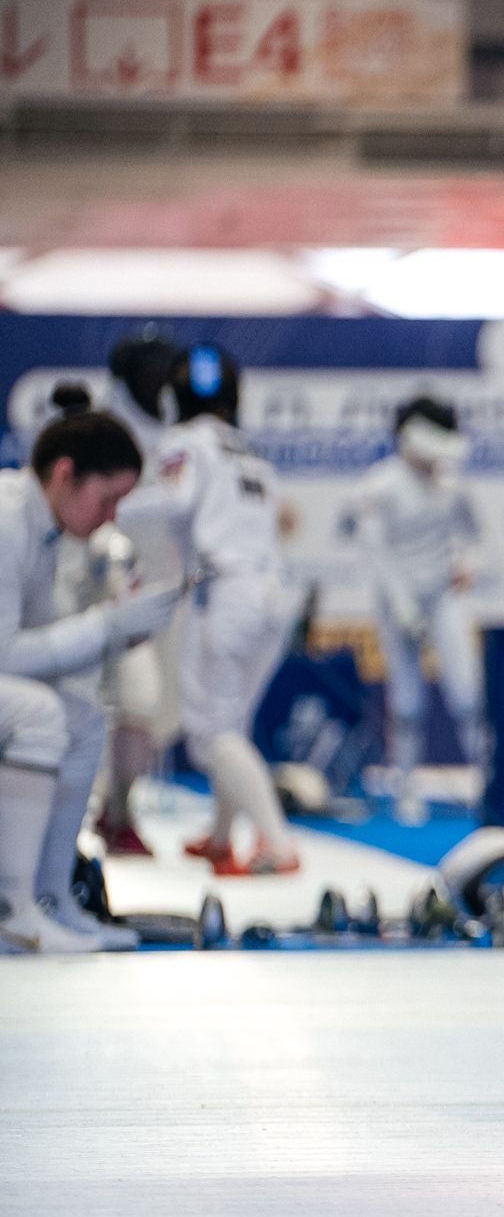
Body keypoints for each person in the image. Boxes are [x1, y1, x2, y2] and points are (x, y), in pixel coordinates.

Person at [0, 411, 179, 951]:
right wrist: (104, 626)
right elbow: (6, 655)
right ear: (64, 474)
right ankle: (12, 907)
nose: (111, 517)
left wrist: (118, 634)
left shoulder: (42, 530)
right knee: (40, 713)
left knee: (82, 719)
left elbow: (40, 652)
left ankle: (51, 897)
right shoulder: (7, 519)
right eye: (107, 499)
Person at [131, 345, 304, 876]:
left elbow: (174, 502)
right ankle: (224, 836)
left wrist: (116, 504)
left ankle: (278, 845)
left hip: (225, 593)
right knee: (233, 725)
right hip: (272, 594)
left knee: (211, 734)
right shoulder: (251, 451)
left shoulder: (185, 441)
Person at [355, 396, 483, 823]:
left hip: (442, 594)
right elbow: (377, 553)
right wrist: (403, 605)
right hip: (397, 600)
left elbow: (474, 534)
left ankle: (489, 783)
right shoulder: (380, 485)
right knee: (407, 700)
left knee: (467, 693)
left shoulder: (451, 485)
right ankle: (406, 789)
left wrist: (466, 563)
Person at [90, 327, 186, 856]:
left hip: (168, 590)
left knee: (162, 709)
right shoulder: (105, 428)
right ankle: (114, 812)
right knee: (134, 700)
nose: (161, 379)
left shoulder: (178, 426)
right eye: (151, 369)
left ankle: (117, 809)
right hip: (116, 590)